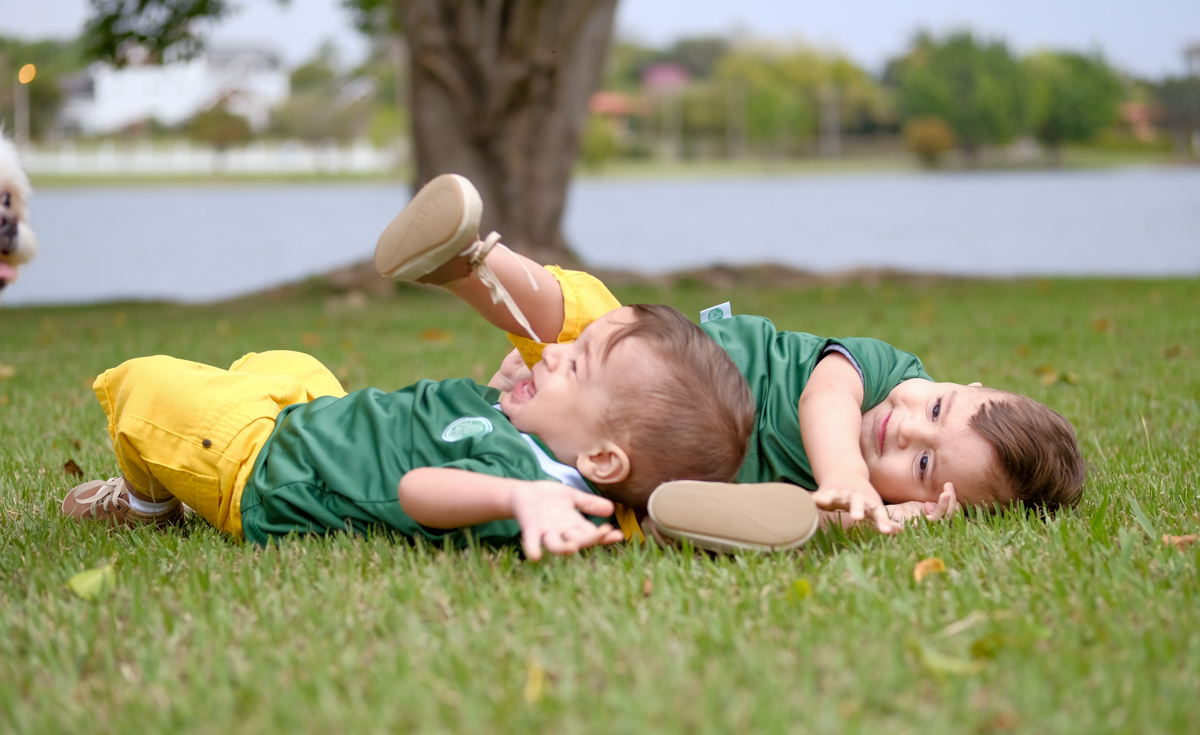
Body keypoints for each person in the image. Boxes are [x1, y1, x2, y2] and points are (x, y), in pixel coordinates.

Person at [373, 174, 1086, 549]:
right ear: (967, 384)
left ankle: (529, 395)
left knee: (611, 497)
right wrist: (842, 473)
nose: (905, 430)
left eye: (925, 465)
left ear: (930, 504)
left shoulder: (861, 504)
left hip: (656, 451)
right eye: (937, 409)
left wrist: (871, 519)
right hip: (662, 369)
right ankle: (469, 259)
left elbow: (779, 519)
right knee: (591, 315)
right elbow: (825, 400)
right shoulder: (882, 371)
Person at [60, 304, 757, 561]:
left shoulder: (530, 486)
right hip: (319, 420)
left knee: (142, 385)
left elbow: (419, 488)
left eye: (574, 368)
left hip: (268, 470)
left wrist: (517, 501)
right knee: (290, 365)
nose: (551, 355)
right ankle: (228, 411)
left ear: (603, 458)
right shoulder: (549, 449)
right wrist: (516, 394)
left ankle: (145, 505)